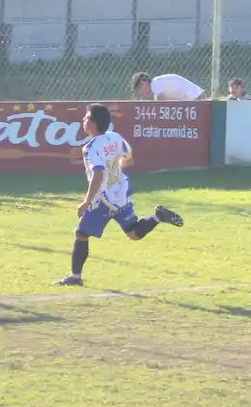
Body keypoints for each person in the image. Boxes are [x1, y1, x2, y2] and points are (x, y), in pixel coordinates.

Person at [54, 103, 185, 287]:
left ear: (93, 123)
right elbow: (129, 158)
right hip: (121, 194)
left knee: (81, 234)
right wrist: (115, 170)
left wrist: (86, 202)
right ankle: (157, 216)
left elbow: (98, 174)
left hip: (103, 201)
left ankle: (75, 277)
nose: (82, 121)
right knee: (133, 233)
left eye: (86, 117)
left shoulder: (90, 148)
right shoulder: (115, 137)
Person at [132, 72, 206, 101]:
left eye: (139, 89)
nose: (140, 92)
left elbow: (161, 101)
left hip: (197, 99)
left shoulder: (155, 84)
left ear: (144, 83)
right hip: (196, 98)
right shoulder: (156, 85)